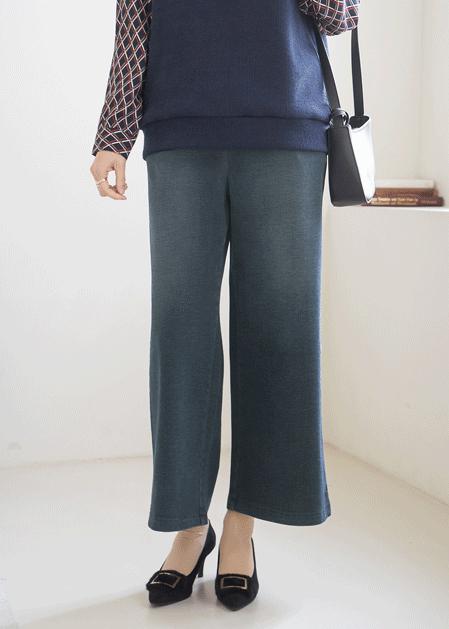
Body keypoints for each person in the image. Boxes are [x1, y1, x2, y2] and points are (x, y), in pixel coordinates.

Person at [90, 0, 360, 611]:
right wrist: (114, 137)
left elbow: (342, 14)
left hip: (286, 130)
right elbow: (134, 24)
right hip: (180, 132)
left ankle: (242, 526)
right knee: (179, 329)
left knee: (280, 330)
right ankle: (190, 527)